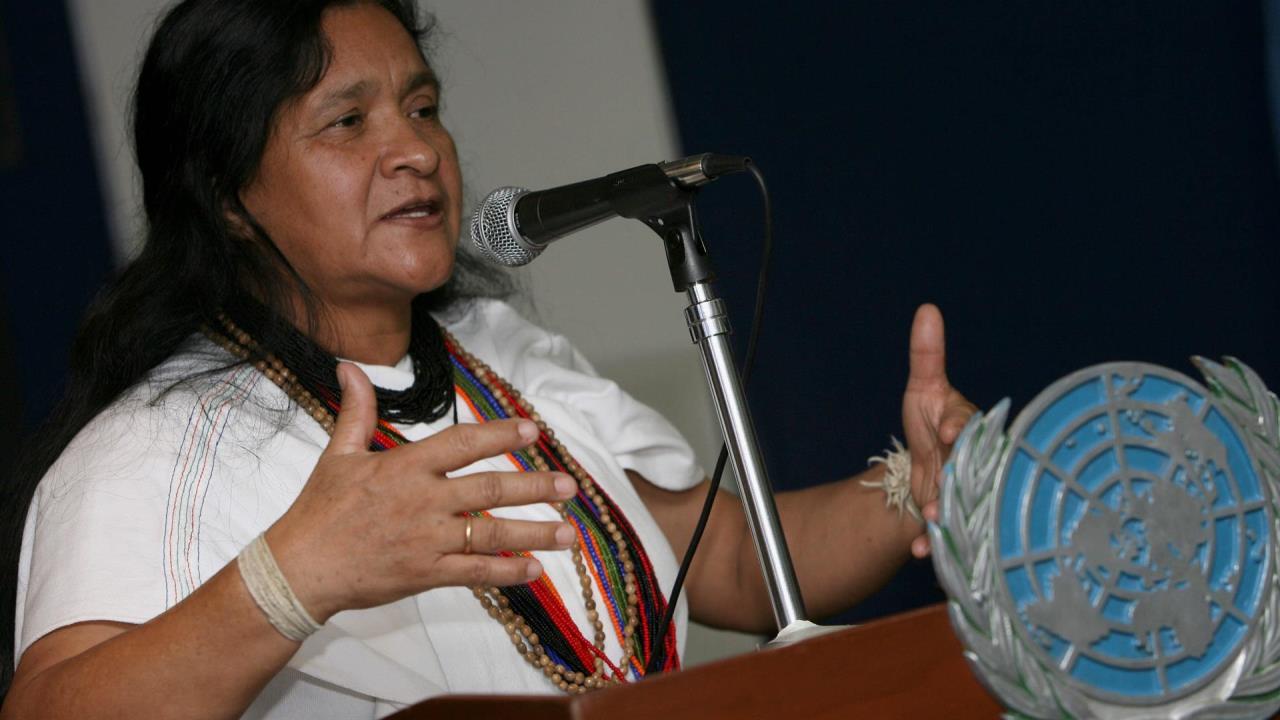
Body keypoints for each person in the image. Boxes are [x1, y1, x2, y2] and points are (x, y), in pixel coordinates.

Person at [0, 0, 975, 717]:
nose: (416, 149)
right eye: (349, 122)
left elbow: (728, 560)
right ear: (227, 196)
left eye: (421, 107)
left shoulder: (504, 355)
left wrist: (913, 490)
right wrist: (294, 578)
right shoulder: (153, 450)